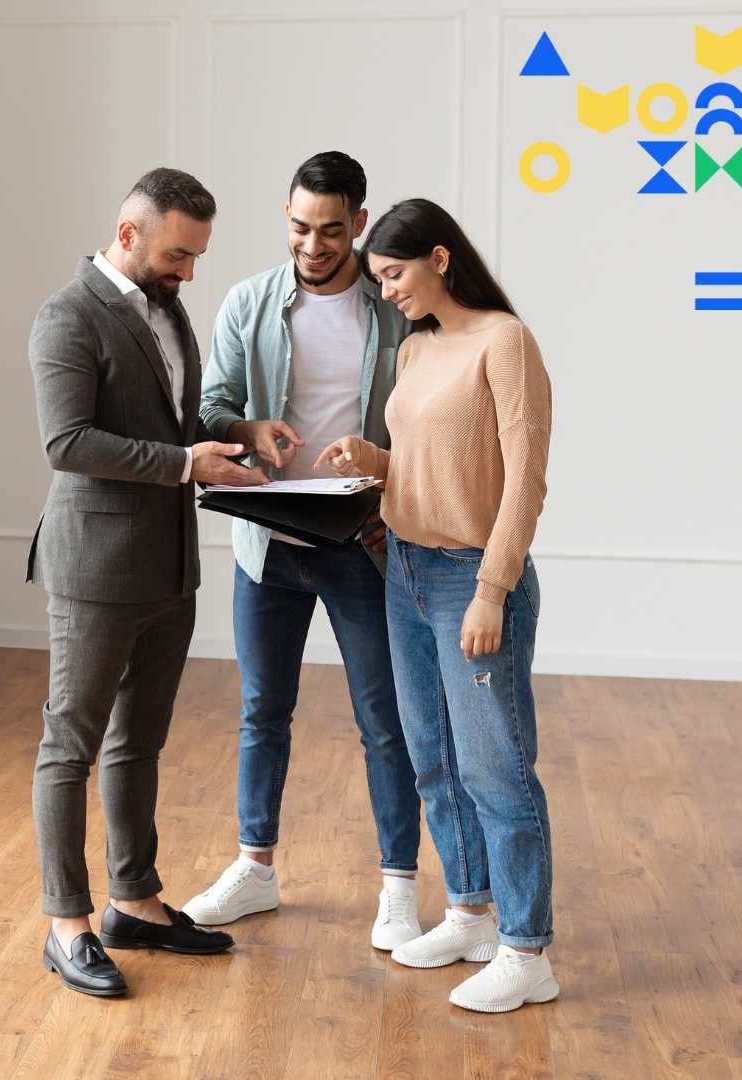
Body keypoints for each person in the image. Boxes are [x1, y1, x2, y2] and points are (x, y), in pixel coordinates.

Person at [25, 167, 267, 997]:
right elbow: (68, 443)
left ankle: (135, 900)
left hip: (168, 564)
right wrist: (182, 464)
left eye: (196, 257)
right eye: (176, 254)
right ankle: (68, 923)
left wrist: (234, 431)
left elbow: (171, 422)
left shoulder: (167, 311)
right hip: (94, 569)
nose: (188, 272)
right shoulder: (66, 316)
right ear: (127, 234)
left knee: (140, 743)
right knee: (72, 744)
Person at [316, 196, 557, 1013]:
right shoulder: (417, 349)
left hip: (470, 576)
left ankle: (528, 951)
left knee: (496, 768)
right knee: (432, 758)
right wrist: (374, 460)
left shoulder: (505, 341)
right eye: (379, 279)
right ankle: (471, 913)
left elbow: (523, 477)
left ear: (440, 258)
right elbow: (429, 459)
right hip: (404, 571)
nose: (387, 292)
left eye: (394, 274)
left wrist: (493, 588)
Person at [182, 151, 424, 953]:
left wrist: (393, 487)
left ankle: (398, 887)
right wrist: (248, 430)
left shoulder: (396, 311)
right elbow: (211, 404)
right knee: (262, 712)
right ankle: (256, 867)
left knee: (385, 721)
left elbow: (430, 424)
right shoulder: (250, 303)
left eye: (329, 229)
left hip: (363, 544)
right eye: (298, 228)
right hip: (269, 545)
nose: (313, 245)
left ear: (359, 221)